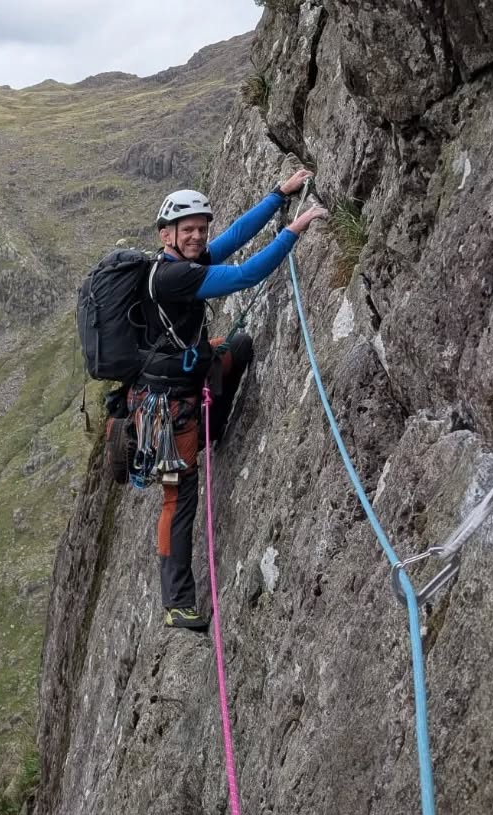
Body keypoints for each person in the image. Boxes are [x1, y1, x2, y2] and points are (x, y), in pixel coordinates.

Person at [131, 170, 327, 630]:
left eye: (202, 228)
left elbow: (235, 236)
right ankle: (177, 604)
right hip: (168, 407)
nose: (198, 236)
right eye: (189, 230)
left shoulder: (183, 261)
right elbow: (243, 275)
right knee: (178, 500)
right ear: (167, 236)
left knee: (235, 348)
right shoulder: (174, 276)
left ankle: (211, 430)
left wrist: (276, 196)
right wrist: (291, 232)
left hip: (189, 376)